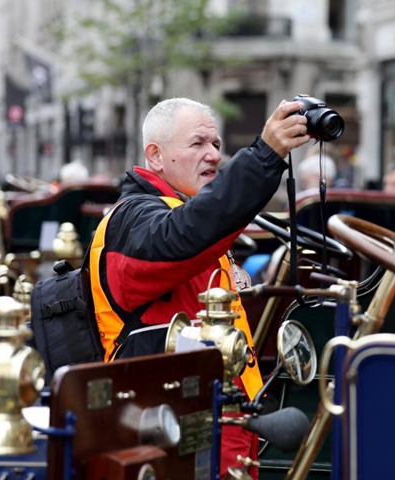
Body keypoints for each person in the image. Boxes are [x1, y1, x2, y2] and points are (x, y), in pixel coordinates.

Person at [87, 97, 311, 478]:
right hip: (171, 444)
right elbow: (189, 233)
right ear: (156, 156)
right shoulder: (133, 219)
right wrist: (265, 155)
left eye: (217, 146)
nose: (212, 156)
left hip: (216, 433)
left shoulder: (180, 209)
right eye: (197, 144)